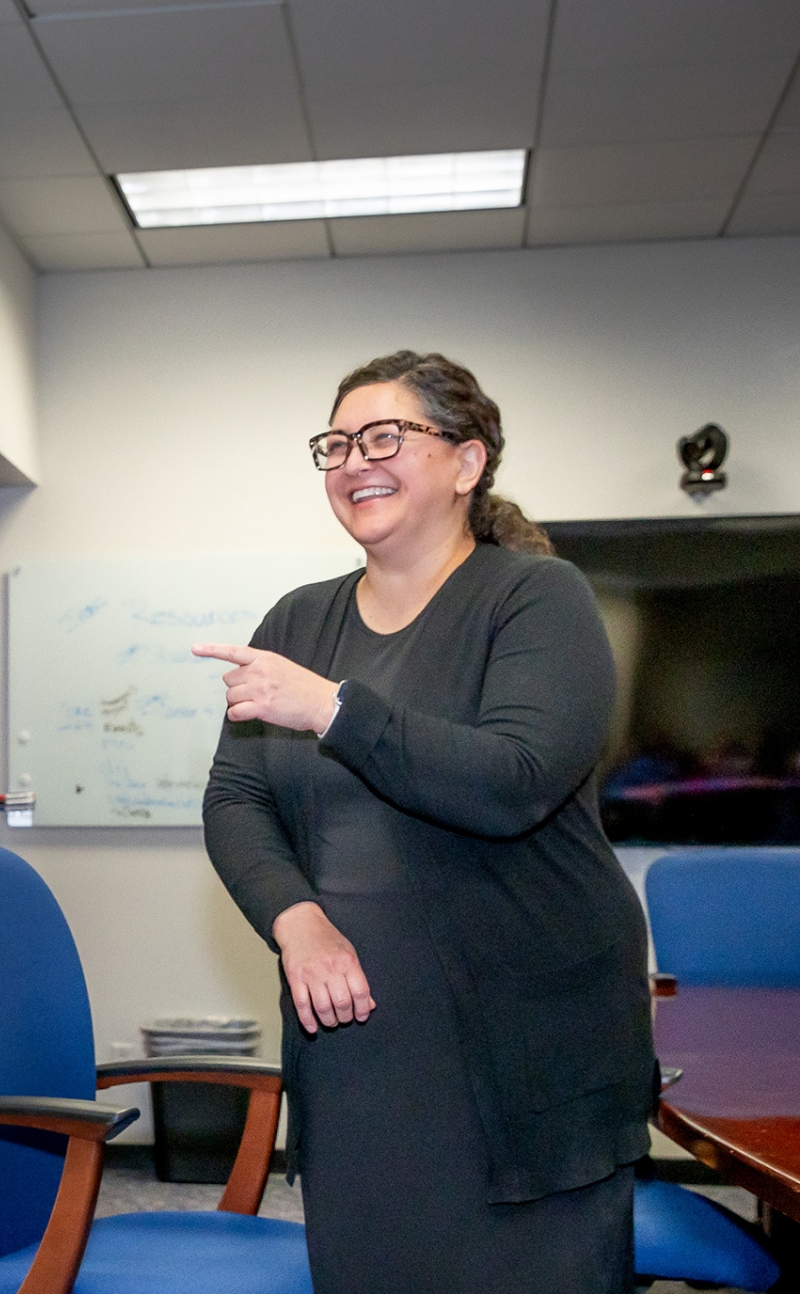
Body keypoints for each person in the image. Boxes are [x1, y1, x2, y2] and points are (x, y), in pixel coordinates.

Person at [193, 352, 653, 1293]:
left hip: (526, 1045)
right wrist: (296, 920)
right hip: (356, 1041)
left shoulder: (536, 599)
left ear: (467, 462)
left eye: (386, 436)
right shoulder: (298, 619)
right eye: (337, 443)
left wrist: (332, 710)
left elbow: (512, 781)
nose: (356, 459)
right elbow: (235, 799)